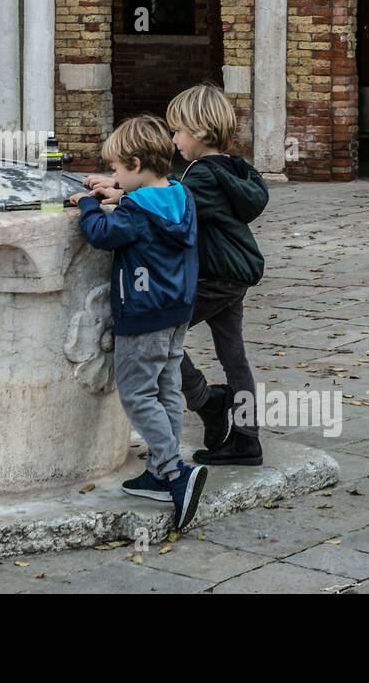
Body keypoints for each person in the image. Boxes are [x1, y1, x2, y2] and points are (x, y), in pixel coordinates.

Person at [87, 84, 269, 467]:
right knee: (233, 354)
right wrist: (122, 188)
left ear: (199, 131)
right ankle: (246, 438)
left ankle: (206, 400)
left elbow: (169, 201)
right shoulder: (236, 169)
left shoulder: (201, 175)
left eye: (178, 131)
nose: (173, 140)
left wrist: (119, 194)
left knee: (161, 331)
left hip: (213, 276)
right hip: (236, 276)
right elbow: (170, 193)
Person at [69, 115, 209, 531]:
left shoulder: (133, 211)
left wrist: (90, 203)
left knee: (136, 392)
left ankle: (174, 474)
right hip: (177, 311)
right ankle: (162, 471)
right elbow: (144, 208)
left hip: (143, 314)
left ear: (133, 162)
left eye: (115, 168)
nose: (112, 175)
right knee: (166, 386)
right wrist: (118, 192)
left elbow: (101, 233)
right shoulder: (179, 195)